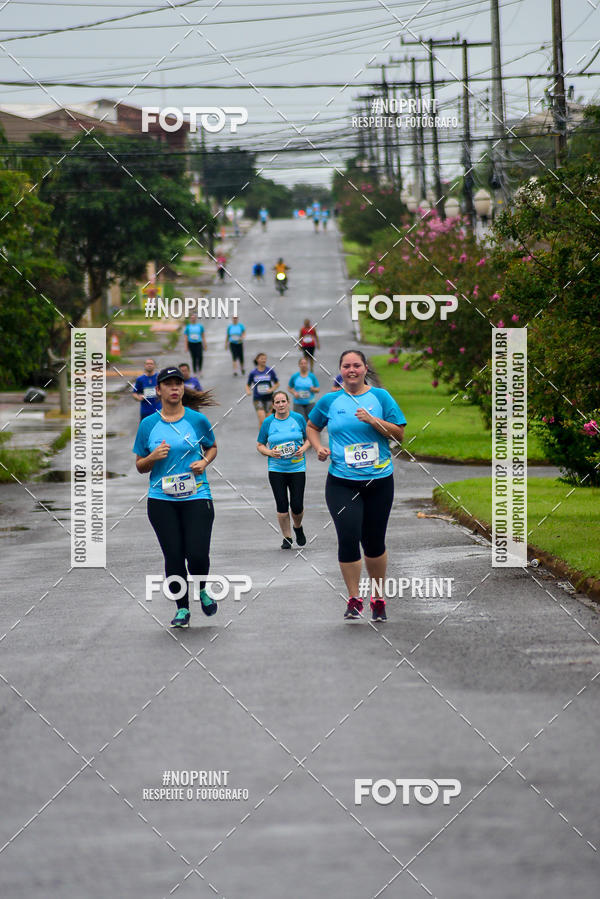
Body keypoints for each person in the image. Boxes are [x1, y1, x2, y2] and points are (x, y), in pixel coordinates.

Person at [307, 350, 406, 623]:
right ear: (340, 370)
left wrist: (374, 421)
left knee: (373, 542)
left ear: (365, 369)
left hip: (379, 481)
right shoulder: (330, 401)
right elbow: (312, 426)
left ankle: (378, 597)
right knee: (348, 536)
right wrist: (318, 448)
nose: (351, 370)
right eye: (346, 366)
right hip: (341, 481)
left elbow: (399, 434)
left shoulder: (381, 398)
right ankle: (354, 598)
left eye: (356, 366)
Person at [133, 367, 219, 628]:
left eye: (178, 384)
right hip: (162, 500)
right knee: (173, 555)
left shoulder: (196, 420)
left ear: (183, 388)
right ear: (158, 390)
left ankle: (202, 589)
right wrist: (152, 457)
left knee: (196, 554)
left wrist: (204, 462)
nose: (174, 388)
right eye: (168, 384)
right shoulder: (148, 425)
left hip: (197, 495)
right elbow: (139, 465)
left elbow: (212, 447)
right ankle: (182, 609)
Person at [257, 391, 310, 549]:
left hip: (297, 468)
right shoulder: (268, 422)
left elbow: (310, 439)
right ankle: (287, 537)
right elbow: (260, 445)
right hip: (276, 469)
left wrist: (304, 448)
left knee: (297, 506)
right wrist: (270, 452)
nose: (280, 405)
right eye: (277, 402)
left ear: (288, 402)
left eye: (283, 401)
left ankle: (298, 528)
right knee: (282, 505)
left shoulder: (298, 419)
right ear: (273, 405)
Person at [246, 352, 279, 425]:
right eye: (262, 359)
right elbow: (248, 385)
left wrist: (271, 389)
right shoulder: (253, 373)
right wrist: (248, 391)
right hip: (258, 399)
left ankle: (268, 436)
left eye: (265, 359)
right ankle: (262, 436)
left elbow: (277, 383)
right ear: (257, 360)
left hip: (269, 398)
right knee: (262, 419)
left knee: (268, 420)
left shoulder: (270, 371)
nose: (264, 360)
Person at [288, 356, 319, 420]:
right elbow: (289, 387)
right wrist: (294, 393)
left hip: (310, 403)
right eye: (301, 363)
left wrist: (313, 389)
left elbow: (318, 389)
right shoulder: (295, 376)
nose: (303, 365)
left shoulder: (311, 376)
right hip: (298, 403)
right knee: (300, 421)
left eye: (305, 363)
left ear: (307, 365)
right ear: (299, 365)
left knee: (310, 422)